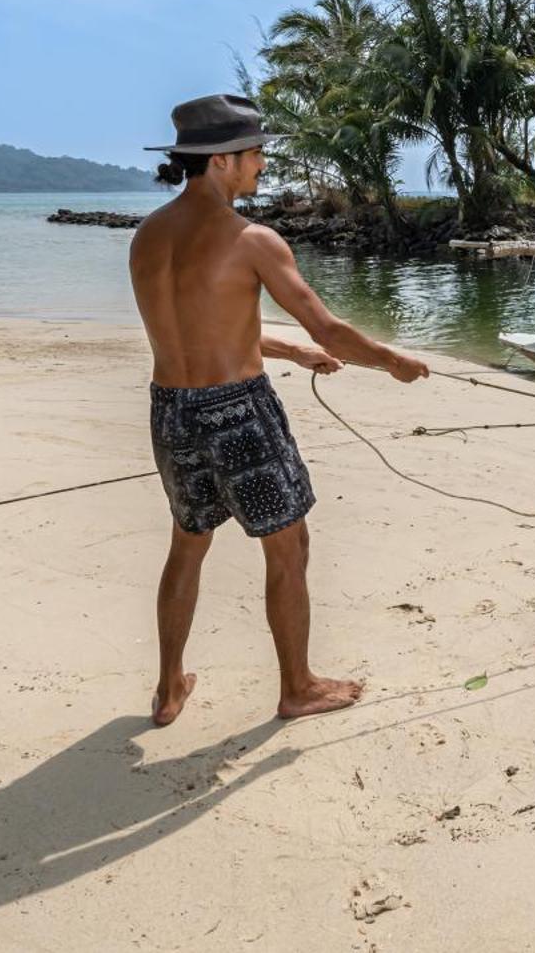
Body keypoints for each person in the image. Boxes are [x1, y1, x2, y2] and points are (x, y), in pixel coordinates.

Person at [129, 94, 429, 727]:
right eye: (257, 152)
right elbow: (331, 326)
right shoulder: (252, 239)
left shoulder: (149, 236)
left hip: (171, 411)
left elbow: (193, 328)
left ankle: (167, 688)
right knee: (287, 547)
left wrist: (288, 350)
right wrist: (390, 361)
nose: (263, 163)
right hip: (238, 413)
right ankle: (298, 687)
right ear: (222, 161)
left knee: (189, 542)